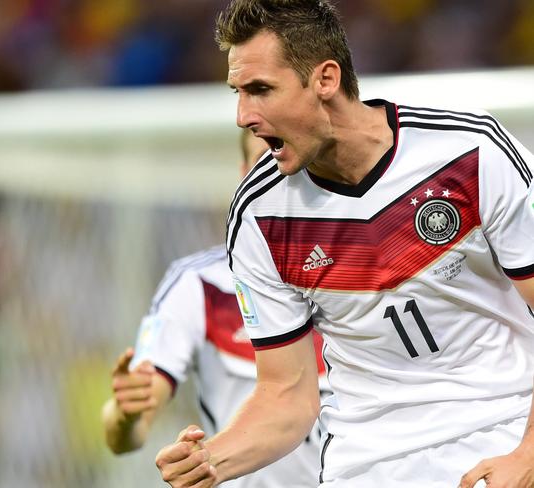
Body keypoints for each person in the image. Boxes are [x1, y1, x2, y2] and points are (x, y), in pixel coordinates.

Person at [154, 1, 534, 487]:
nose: (243, 115)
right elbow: (287, 394)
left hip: (500, 434)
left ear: (325, 80)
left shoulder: (469, 153)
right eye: (238, 93)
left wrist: (526, 455)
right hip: (367, 464)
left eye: (261, 90)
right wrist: (210, 460)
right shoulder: (259, 216)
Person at [102, 128, 330, 487]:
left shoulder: (375, 272)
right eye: (264, 163)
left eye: (301, 165)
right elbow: (127, 433)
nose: (284, 179)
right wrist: (126, 415)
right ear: (244, 175)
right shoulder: (201, 285)